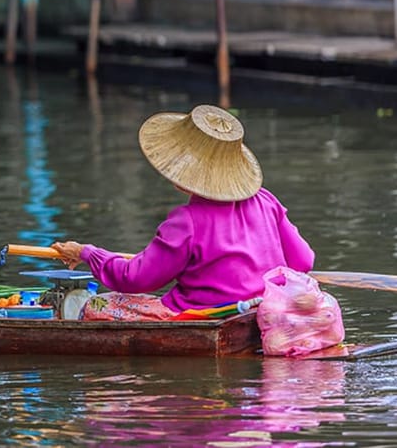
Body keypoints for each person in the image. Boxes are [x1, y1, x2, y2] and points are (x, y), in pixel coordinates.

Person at [51, 104, 315, 321]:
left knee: (96, 305)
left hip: (205, 316)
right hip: (262, 311)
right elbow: (303, 261)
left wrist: (88, 253)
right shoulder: (266, 200)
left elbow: (135, 278)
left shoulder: (186, 221)